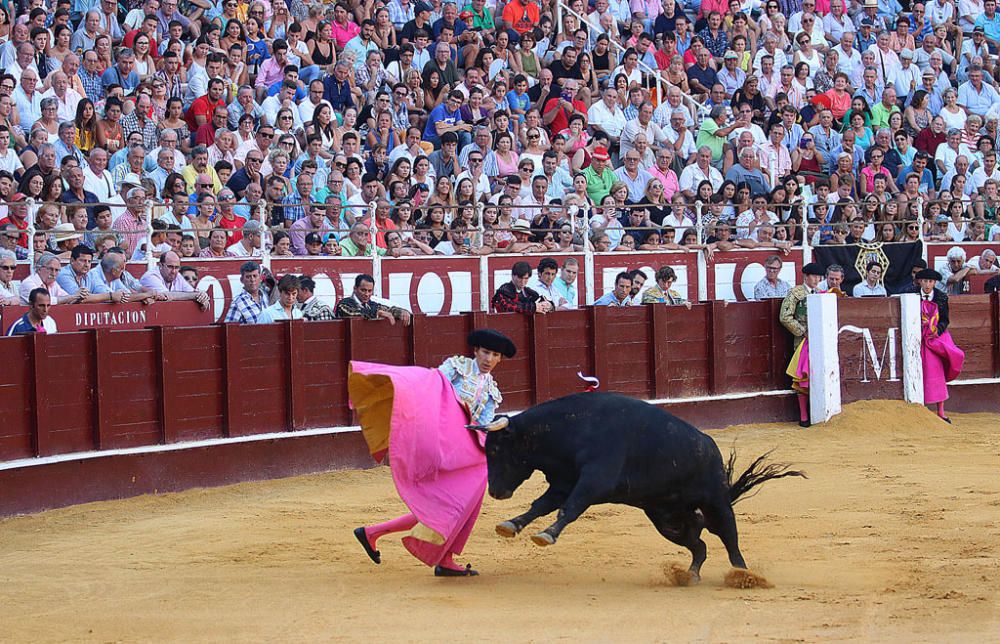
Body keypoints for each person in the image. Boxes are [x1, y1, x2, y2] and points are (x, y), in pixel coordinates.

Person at [350, 328, 516, 577]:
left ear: (500, 359)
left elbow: (482, 426)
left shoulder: (492, 390)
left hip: (462, 452)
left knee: (454, 504)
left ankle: (376, 533)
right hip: (439, 441)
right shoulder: (457, 367)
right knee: (452, 504)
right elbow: (428, 388)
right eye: (485, 352)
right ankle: (440, 557)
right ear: (475, 351)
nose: (489, 359)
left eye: (495, 355)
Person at [914, 268, 965, 423]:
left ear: (934, 283)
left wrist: (937, 330)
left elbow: (944, 320)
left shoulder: (941, 297)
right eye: (924, 281)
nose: (927, 284)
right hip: (917, 337)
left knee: (937, 370)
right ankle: (918, 409)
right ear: (919, 282)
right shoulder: (911, 294)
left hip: (936, 337)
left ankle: (941, 411)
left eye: (930, 282)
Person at [780, 262, 825, 428]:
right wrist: (802, 331)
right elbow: (785, 316)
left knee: (818, 376)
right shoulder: (796, 293)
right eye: (813, 276)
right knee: (803, 378)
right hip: (802, 342)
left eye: (819, 276)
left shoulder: (821, 293)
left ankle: (817, 413)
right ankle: (804, 416)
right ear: (805, 276)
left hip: (820, 342)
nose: (816, 279)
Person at [335, 273, 411, 324]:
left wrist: (401, 312)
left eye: (370, 291)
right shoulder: (344, 304)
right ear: (355, 289)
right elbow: (355, 314)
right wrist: (377, 313)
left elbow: (388, 309)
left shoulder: (371, 304)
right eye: (363, 290)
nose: (367, 294)